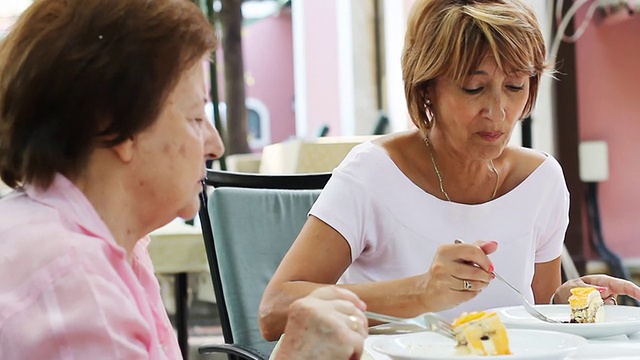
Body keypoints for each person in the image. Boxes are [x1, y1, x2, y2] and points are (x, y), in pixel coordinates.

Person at [0, 0, 366, 359]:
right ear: (114, 125)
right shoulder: (76, 285)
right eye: (195, 117)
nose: (215, 145)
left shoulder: (109, 246)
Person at [259, 0, 640, 341]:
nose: (498, 111)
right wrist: (421, 291)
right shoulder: (372, 174)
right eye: (474, 88)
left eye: (515, 86)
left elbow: (538, 320)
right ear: (427, 89)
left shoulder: (541, 181)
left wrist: (569, 302)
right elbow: (275, 310)